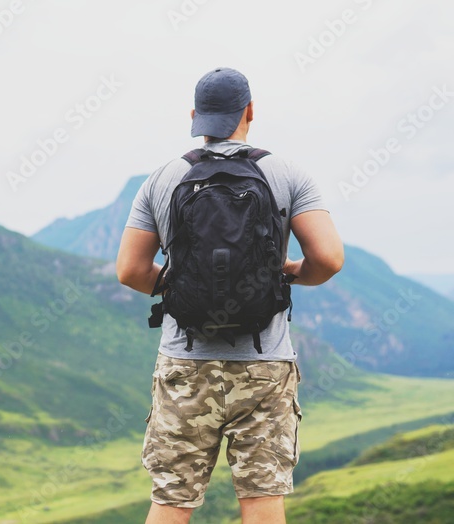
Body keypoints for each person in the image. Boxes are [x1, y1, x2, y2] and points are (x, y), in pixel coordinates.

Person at [116, 67, 344, 524]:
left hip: (185, 363)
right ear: (250, 112)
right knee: (261, 500)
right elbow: (329, 259)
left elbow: (131, 270)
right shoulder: (287, 173)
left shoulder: (162, 179)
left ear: (195, 116)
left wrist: (181, 285)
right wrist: (287, 273)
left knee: (172, 499)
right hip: (264, 363)